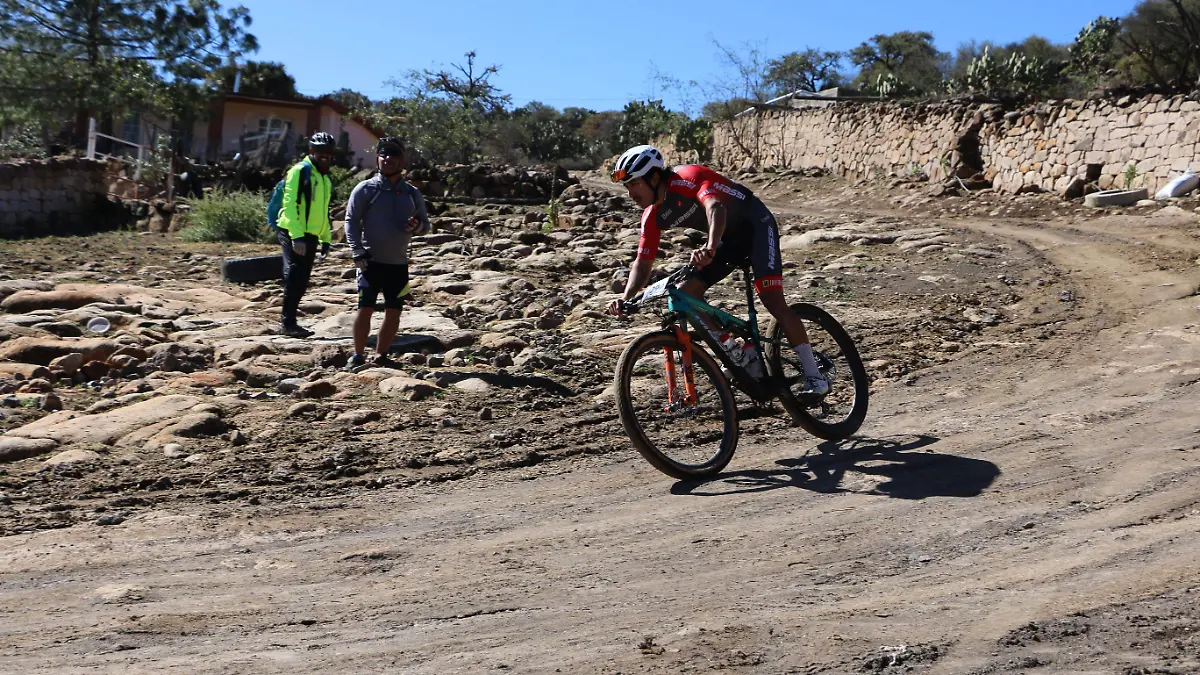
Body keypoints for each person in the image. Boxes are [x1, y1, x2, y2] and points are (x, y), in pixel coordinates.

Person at [606, 145, 830, 396]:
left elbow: (715, 208)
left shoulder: (686, 178)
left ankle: (815, 376)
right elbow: (643, 262)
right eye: (627, 187)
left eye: (634, 184)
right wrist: (626, 298)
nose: (630, 194)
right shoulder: (652, 216)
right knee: (686, 291)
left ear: (655, 177)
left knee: (772, 300)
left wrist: (710, 247)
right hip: (727, 240)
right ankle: (737, 353)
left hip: (755, 225)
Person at [343, 137, 430, 370]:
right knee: (365, 308)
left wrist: (417, 227)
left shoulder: (411, 193)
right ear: (377, 159)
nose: (387, 158)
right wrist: (357, 250)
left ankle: (381, 356)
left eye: (393, 154)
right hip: (369, 262)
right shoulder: (365, 189)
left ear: (402, 161)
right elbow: (351, 221)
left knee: (393, 312)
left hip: (398, 264)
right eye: (383, 154)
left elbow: (425, 225)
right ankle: (357, 355)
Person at [275, 131, 336, 338]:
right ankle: (287, 323)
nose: (324, 155)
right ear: (311, 151)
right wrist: (297, 236)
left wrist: (325, 238)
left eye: (328, 152)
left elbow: (323, 211)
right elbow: (290, 204)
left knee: (302, 279)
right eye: (320, 151)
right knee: (295, 276)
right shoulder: (300, 171)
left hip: (310, 235)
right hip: (293, 231)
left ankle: (291, 322)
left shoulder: (324, 177)